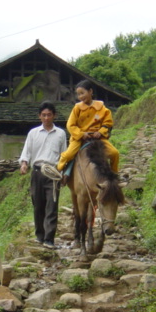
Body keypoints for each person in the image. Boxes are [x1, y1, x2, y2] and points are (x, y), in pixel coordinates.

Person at [19, 101, 67, 249]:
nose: (46, 118)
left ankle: (49, 238)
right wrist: (24, 163)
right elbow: (26, 151)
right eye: (44, 115)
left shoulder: (60, 133)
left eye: (49, 115)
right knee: (38, 204)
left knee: (52, 205)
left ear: (54, 116)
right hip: (37, 172)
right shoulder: (33, 133)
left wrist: (64, 173)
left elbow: (64, 154)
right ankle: (39, 236)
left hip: (53, 173)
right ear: (40, 116)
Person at [56, 79, 120, 175]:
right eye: (78, 94)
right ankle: (59, 171)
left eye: (82, 93)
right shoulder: (77, 108)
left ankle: (114, 174)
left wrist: (101, 132)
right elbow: (70, 125)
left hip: (98, 138)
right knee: (68, 155)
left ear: (90, 91)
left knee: (115, 153)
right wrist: (81, 134)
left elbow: (108, 123)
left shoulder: (102, 108)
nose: (80, 97)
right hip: (79, 138)